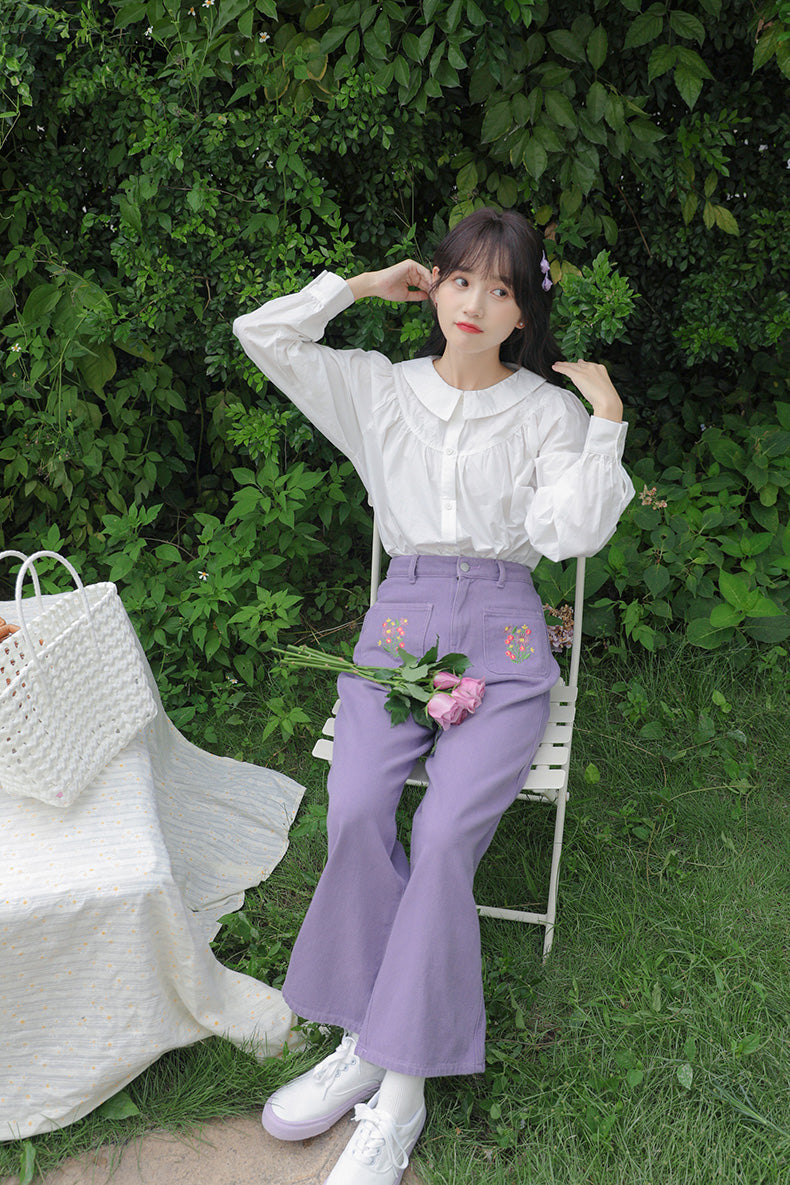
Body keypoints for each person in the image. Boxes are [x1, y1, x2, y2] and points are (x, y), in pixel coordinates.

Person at [233, 208, 634, 1185]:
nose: (476, 304)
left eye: (502, 290)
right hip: (403, 623)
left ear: (522, 312)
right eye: (462, 280)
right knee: (357, 804)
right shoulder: (379, 390)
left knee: (447, 830)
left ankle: (399, 1089)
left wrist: (606, 427)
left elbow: (571, 534)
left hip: (505, 629)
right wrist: (360, 286)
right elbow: (262, 334)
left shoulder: (547, 413)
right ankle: (363, 1039)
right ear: (436, 286)